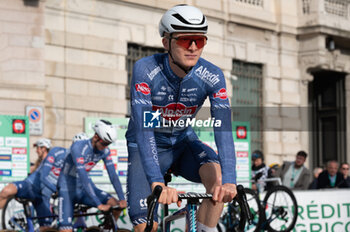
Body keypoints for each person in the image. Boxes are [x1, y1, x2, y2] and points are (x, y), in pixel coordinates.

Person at [126, 4, 237, 232]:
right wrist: (157, 181)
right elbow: (144, 128)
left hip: (183, 142)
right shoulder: (145, 69)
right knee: (145, 227)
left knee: (217, 184)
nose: (194, 47)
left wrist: (230, 180)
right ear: (166, 42)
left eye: (200, 40)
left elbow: (223, 129)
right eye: (186, 40)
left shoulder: (212, 76)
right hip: (147, 146)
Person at [58, 120, 127, 231]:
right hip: (67, 190)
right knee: (66, 230)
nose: (106, 147)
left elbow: (113, 175)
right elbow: (83, 176)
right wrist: (98, 204)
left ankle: (106, 229)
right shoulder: (78, 147)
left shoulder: (104, 151)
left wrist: (122, 198)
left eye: (108, 144)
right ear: (96, 137)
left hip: (82, 190)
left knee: (116, 204)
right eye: (104, 143)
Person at [0, 138, 54, 230]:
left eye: (38, 148)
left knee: (46, 228)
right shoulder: (38, 164)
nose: (36, 151)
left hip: (43, 195)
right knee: (6, 191)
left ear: (44, 148)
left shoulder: (53, 160)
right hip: (30, 187)